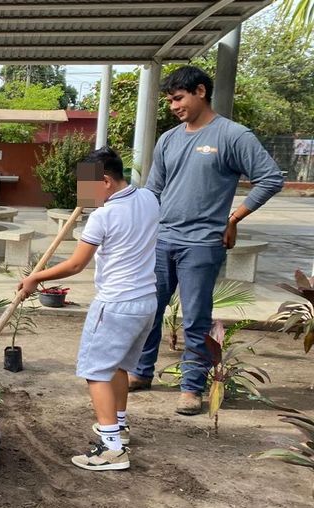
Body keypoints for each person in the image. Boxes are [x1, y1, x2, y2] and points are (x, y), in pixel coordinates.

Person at [130, 66, 284, 415]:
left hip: (202, 242)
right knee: (148, 310)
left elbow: (270, 178)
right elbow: (153, 191)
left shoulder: (233, 135)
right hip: (162, 239)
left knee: (196, 317)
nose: (173, 106)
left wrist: (234, 218)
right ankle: (141, 372)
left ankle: (191, 387)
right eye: (169, 100)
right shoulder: (168, 139)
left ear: (200, 91)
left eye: (178, 98)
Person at [19, 147, 159, 471]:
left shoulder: (104, 216)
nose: (82, 194)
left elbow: (75, 265)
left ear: (106, 181)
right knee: (119, 367)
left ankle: (111, 448)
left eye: (86, 186)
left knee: (96, 372)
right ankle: (119, 428)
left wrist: (35, 277)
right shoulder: (149, 199)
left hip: (115, 305)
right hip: (145, 303)